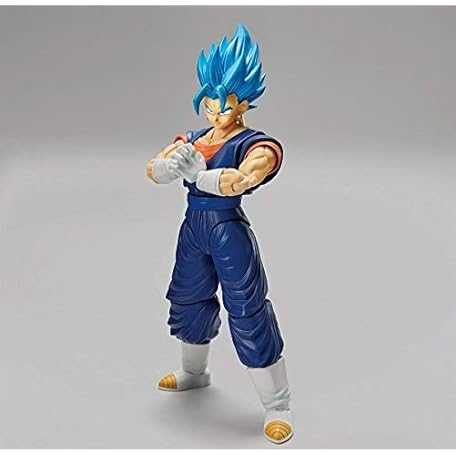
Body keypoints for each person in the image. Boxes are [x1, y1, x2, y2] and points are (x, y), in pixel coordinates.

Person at [146, 24, 294, 444]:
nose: (214, 112)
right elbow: (153, 168)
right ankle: (195, 372)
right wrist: (168, 167)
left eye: (223, 105)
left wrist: (201, 176)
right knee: (187, 299)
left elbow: (244, 179)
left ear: (243, 102)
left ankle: (278, 405)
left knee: (247, 310)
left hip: (228, 229)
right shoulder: (193, 138)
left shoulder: (257, 143)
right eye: (208, 102)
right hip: (194, 227)